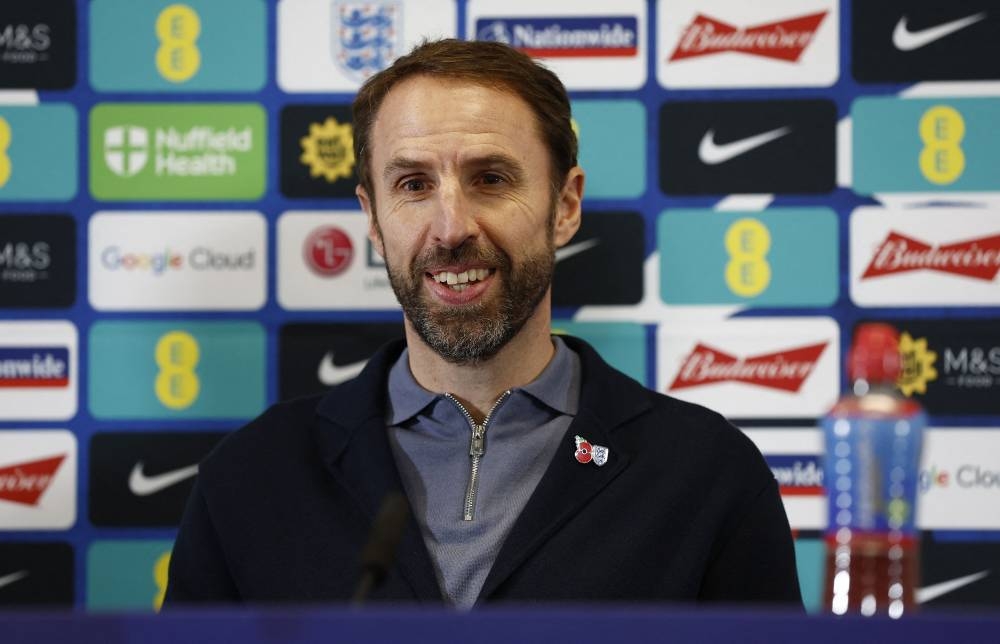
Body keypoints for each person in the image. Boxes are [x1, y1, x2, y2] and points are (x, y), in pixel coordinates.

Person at [164, 39, 802, 608]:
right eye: (413, 185)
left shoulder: (708, 473)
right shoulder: (252, 476)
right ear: (373, 219)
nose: (451, 228)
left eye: (491, 179)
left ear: (565, 206)